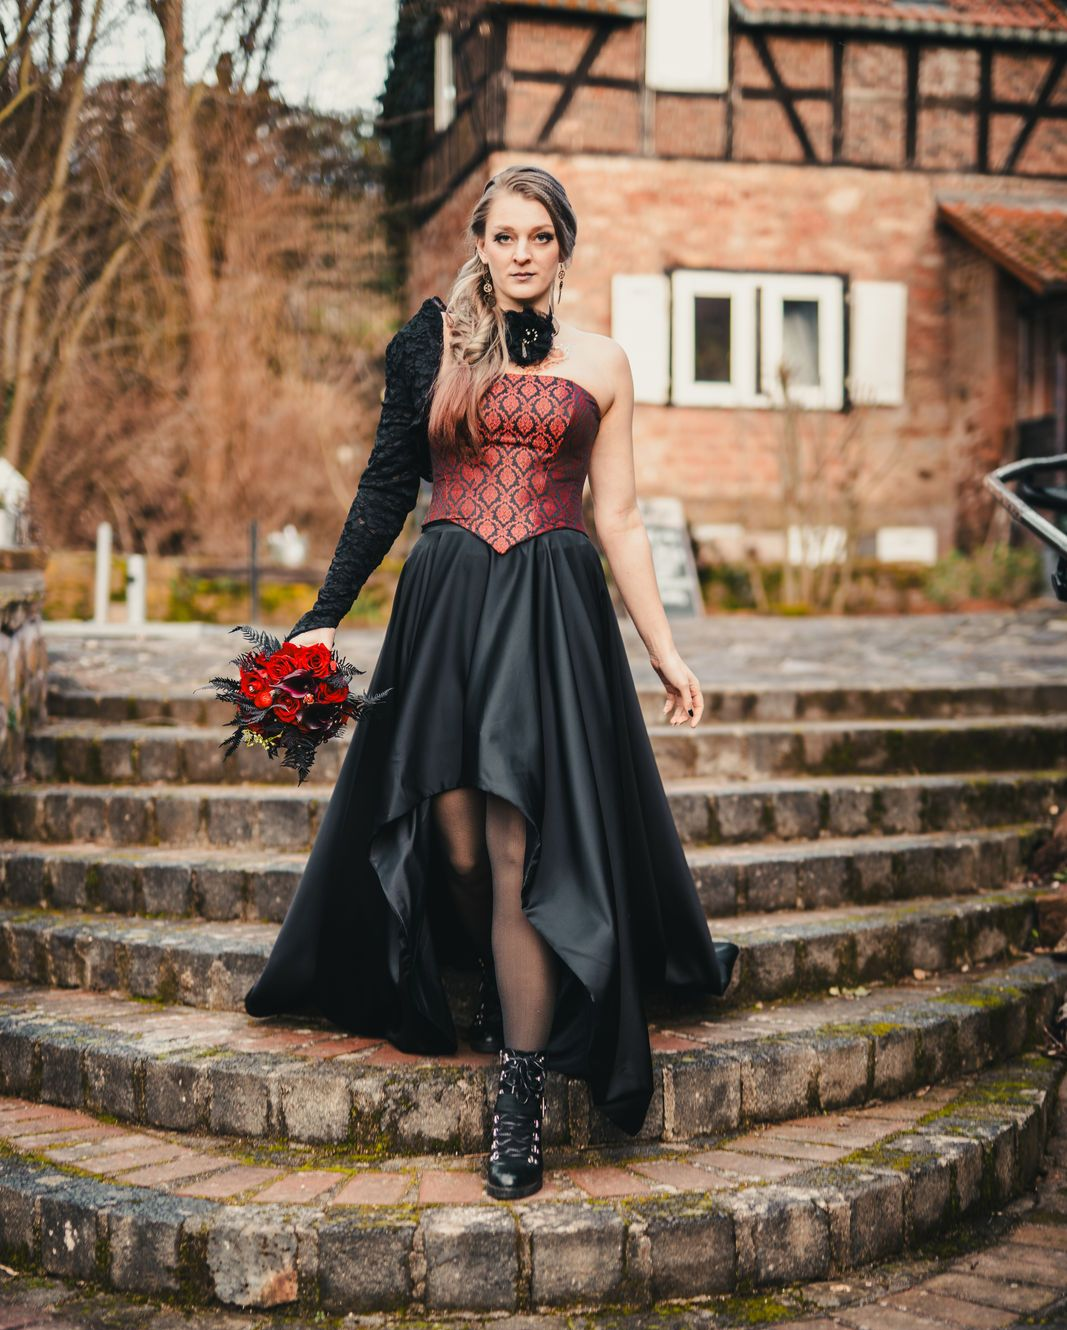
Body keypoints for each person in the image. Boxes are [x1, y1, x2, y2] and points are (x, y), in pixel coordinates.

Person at [244, 164, 739, 1201]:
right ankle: (483, 968)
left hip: (553, 603)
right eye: (503, 236)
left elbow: (620, 518)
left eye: (539, 237)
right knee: (458, 834)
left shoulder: (602, 360)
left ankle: (516, 1090)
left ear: (563, 248)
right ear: (478, 242)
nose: (520, 253)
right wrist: (325, 612)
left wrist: (663, 649)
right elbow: (387, 484)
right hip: (448, 594)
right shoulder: (428, 344)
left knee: (517, 839)